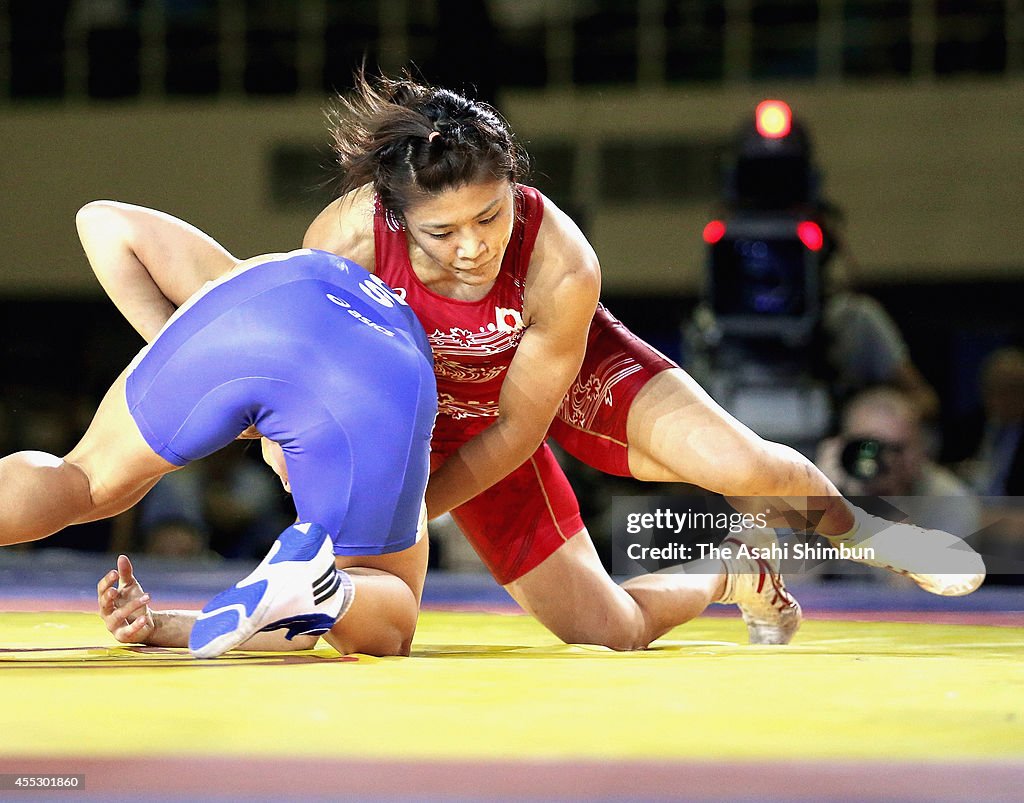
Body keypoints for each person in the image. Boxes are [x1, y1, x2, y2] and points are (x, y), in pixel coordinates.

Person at [84, 75, 985, 652]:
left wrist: (396, 512)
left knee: (746, 464)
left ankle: (891, 537)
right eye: (444, 231)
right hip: (429, 427)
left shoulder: (561, 258)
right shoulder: (348, 237)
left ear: (515, 190)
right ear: (396, 218)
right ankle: (728, 572)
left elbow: (519, 428)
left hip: (554, 391)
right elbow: (294, 369)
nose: (474, 248)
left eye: (492, 218)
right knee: (608, 632)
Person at [1, 205, 438, 659]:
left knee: (84, 481)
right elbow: (308, 627)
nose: (289, 484)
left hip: (235, 317)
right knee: (385, 618)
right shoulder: (395, 381)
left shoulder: (244, 276)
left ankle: (318, 586)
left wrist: (173, 343)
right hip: (374, 378)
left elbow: (101, 220)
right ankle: (324, 586)